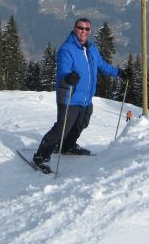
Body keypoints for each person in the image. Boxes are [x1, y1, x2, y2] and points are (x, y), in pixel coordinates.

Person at [33, 18, 131, 166]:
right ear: (74, 28)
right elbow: (63, 70)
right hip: (70, 97)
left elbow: (102, 65)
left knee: (81, 124)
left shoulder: (92, 49)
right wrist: (68, 77)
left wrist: (119, 73)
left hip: (86, 99)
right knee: (62, 128)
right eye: (80, 28)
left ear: (90, 31)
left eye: (87, 29)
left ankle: (67, 146)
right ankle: (40, 156)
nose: (83, 31)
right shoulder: (67, 49)